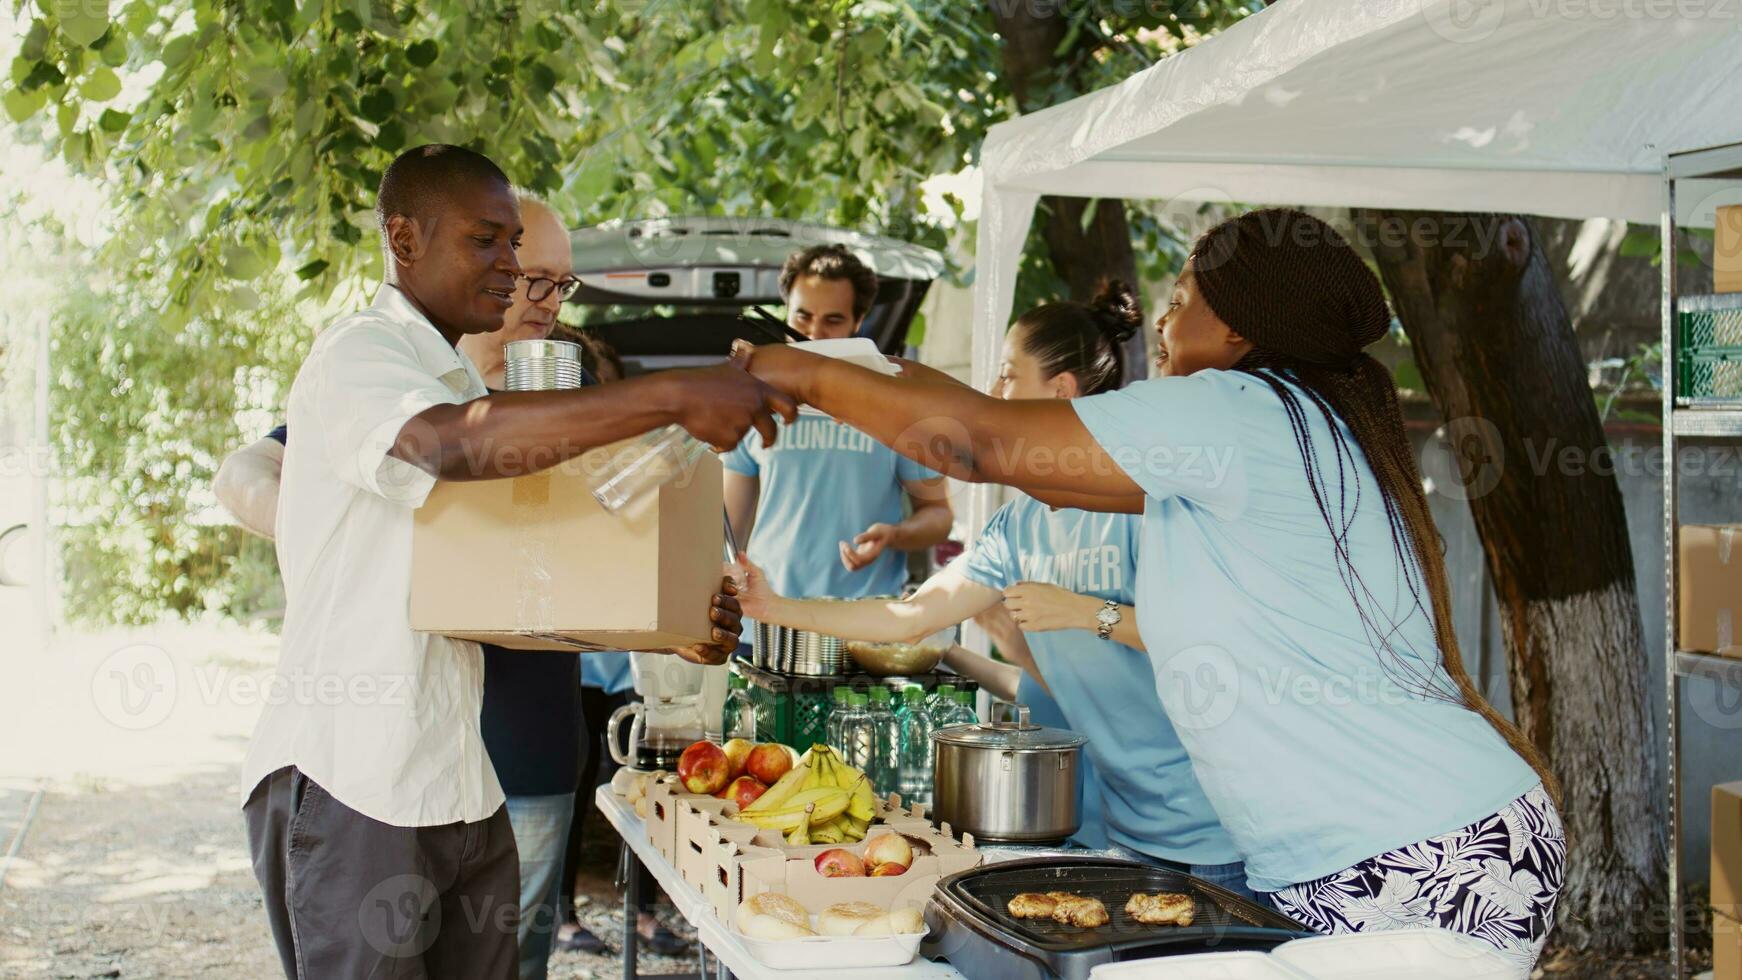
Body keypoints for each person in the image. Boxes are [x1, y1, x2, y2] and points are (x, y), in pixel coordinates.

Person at [731, 209, 1565, 972]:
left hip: (1409, 858)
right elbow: (1006, 443)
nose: (1161, 321)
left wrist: (790, 374)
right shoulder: (1286, 426)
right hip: (1389, 849)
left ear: (1239, 326)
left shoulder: (1234, 410)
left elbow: (978, 446)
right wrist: (855, 368)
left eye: (1182, 298)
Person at [236, 144, 789, 980]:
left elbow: (502, 592)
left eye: (516, 246)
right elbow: (447, 447)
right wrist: (674, 391)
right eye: (488, 241)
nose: (510, 264)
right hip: (355, 777)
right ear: (403, 239)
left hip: (458, 779)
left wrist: (669, 625)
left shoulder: (455, 374)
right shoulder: (362, 354)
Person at [732, 282, 1244, 892]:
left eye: (1007, 375)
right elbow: (911, 616)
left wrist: (1087, 612)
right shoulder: (1018, 525)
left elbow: (1208, 637)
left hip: (1212, 831)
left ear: (1059, 390)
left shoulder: (1144, 505)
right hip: (1117, 822)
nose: (994, 393)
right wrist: (774, 607)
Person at [722, 244, 951, 601]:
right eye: (802, 317)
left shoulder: (894, 401)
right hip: (767, 618)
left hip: (863, 623)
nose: (814, 333)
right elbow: (728, 530)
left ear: (858, 322)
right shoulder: (754, 399)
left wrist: (894, 535)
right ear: (785, 313)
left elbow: (938, 515)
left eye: (833, 320)